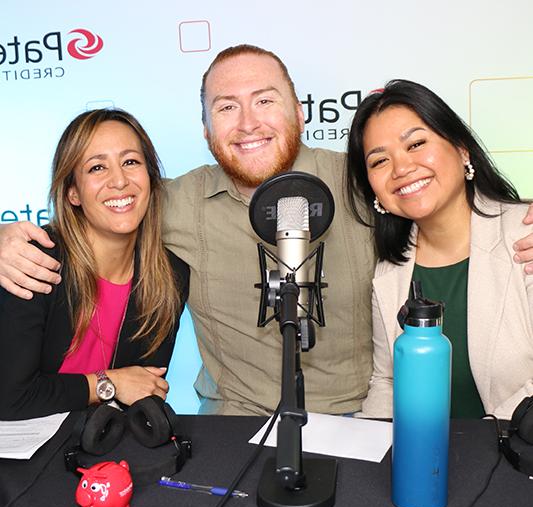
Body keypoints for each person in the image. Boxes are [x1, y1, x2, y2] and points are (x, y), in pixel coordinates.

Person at [1, 46, 533, 416]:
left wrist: (519, 218)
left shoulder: (360, 178)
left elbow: (440, 203)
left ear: (298, 111)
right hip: (234, 424)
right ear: (206, 129)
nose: (248, 123)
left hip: (363, 419)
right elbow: (101, 206)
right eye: (226, 107)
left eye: (265, 100)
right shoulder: (174, 201)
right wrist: (5, 242)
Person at [346, 79, 533, 420]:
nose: (401, 169)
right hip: (423, 461)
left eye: (416, 144)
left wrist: (483, 444)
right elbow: (387, 381)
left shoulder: (526, 237)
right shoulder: (390, 269)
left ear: (462, 150)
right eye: (379, 161)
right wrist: (371, 450)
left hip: (514, 457)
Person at [0, 109, 189, 420]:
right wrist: (106, 383)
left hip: (105, 447)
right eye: (97, 167)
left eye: (131, 162)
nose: (119, 181)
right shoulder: (35, 261)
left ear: (151, 178)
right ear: (73, 192)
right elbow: (10, 398)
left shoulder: (171, 276)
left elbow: (144, 390)